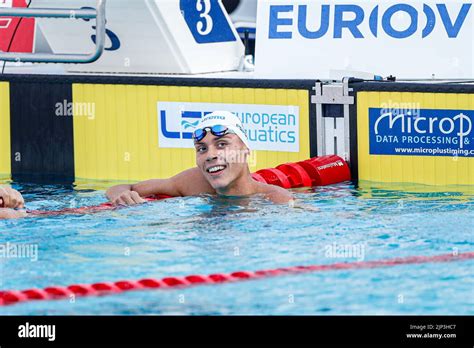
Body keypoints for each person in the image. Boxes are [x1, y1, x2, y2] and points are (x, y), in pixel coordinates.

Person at [0, 111, 294, 220]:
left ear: (246, 152)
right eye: (201, 148)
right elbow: (122, 186)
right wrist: (118, 195)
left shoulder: (274, 200)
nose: (210, 155)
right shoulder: (193, 182)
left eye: (222, 145)